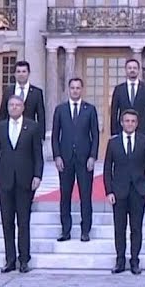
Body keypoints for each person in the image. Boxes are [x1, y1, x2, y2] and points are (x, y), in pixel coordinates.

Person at [0, 95, 44, 273]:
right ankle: (10, 259)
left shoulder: (32, 127)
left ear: (23, 107)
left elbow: (38, 154)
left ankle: (24, 259)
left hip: (25, 179)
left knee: (23, 221)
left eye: (17, 105)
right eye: (11, 105)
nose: (13, 108)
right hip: (5, 179)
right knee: (7, 221)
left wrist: (38, 175)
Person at [104, 109, 145, 274]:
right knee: (119, 228)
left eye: (133, 121)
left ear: (137, 123)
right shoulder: (113, 143)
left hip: (138, 191)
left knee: (136, 227)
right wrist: (109, 191)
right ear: (121, 122)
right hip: (119, 192)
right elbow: (107, 169)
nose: (130, 124)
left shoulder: (144, 142)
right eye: (127, 121)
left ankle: (134, 260)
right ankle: (120, 260)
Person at [51, 77, 99, 242]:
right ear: (68, 90)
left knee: (85, 196)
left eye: (78, 88)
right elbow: (55, 135)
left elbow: (95, 135)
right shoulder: (60, 109)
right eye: (72, 88)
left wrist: (93, 156)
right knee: (65, 195)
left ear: (82, 90)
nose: (75, 90)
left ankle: (85, 230)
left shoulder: (90, 109)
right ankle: (66, 230)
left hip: (84, 159)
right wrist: (56, 156)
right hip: (65, 159)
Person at [109, 58, 145, 138]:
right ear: (126, 70)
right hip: (122, 132)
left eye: (134, 68)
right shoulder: (119, 89)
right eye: (130, 68)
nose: (132, 70)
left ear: (138, 70)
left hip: (142, 132)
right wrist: (114, 133)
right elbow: (114, 112)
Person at [0, 60, 45, 138]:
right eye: (18, 72)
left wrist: (41, 136)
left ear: (28, 73)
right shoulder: (8, 91)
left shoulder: (37, 93)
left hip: (30, 134)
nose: (21, 74)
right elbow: (3, 113)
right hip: (11, 132)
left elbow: (41, 116)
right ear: (15, 74)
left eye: (24, 71)